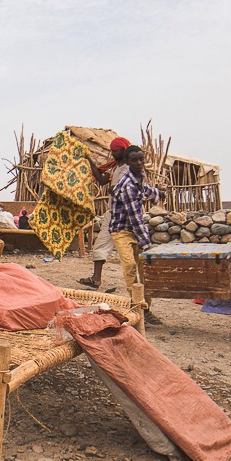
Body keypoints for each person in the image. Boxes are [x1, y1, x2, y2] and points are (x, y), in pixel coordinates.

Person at [109, 145, 163, 325]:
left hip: (134, 230)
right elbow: (135, 219)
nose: (139, 163)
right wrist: (146, 244)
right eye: (134, 160)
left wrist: (157, 193)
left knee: (144, 268)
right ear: (127, 162)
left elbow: (145, 189)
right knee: (130, 267)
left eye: (141, 159)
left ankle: (146, 308)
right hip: (121, 231)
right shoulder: (126, 186)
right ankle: (137, 307)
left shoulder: (139, 176)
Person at [78, 136, 132, 291]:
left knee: (129, 251)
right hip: (113, 213)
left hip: (124, 215)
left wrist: (115, 189)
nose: (112, 154)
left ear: (123, 150)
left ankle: (139, 283)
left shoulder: (128, 169)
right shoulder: (115, 168)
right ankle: (96, 279)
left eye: (115, 151)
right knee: (101, 244)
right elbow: (101, 180)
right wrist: (89, 159)